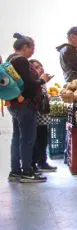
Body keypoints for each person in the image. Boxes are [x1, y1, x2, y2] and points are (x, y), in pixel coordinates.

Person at [7, 34, 52, 182]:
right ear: (25, 47)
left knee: (17, 137)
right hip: (25, 105)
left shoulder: (10, 59)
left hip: (14, 103)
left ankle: (15, 171)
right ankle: (26, 171)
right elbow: (29, 84)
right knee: (27, 138)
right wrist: (42, 79)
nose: (33, 51)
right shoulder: (21, 61)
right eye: (32, 48)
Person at [30, 59, 57, 173]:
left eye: (40, 66)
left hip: (44, 117)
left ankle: (42, 162)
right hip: (37, 116)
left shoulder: (42, 82)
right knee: (37, 141)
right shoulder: (35, 81)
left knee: (43, 140)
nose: (40, 68)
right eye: (36, 67)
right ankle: (34, 163)